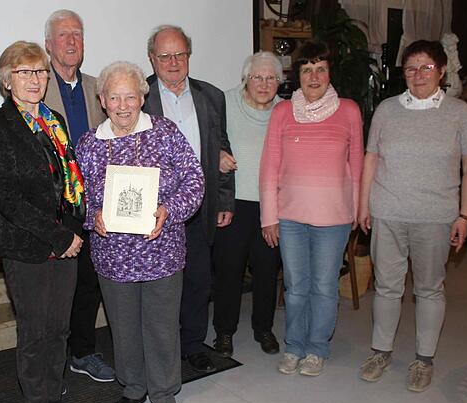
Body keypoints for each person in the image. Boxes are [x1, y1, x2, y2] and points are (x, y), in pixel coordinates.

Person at [78, 61, 204, 403]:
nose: (122, 105)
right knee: (124, 328)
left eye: (130, 96)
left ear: (142, 97)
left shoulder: (165, 133)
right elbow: (75, 196)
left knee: (163, 327)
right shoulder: (89, 143)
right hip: (113, 258)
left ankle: (164, 394)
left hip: (161, 253)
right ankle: (132, 387)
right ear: (102, 100)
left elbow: (194, 181)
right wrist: (92, 215)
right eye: (113, 97)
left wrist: (170, 209)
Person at [357, 40, 467, 392]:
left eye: (426, 67)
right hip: (388, 212)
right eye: (411, 68)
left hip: (436, 217)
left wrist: (465, 216)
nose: (418, 74)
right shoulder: (386, 109)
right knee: (386, 288)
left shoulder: (459, 113)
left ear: (442, 71)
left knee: (428, 290)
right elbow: (371, 158)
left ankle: (424, 359)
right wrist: (364, 205)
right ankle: (380, 352)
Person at [0, 41, 85, 403]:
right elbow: (6, 197)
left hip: (66, 243)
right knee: (35, 331)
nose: (34, 79)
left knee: (60, 329)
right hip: (28, 247)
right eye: (24, 72)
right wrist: (58, 237)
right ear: (8, 80)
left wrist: (74, 230)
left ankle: (56, 398)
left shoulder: (53, 119)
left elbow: (71, 182)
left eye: (40, 71)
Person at [260, 40, 363, 377]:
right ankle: (294, 346)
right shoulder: (281, 112)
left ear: (330, 73)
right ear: (298, 75)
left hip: (333, 218)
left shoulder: (349, 110)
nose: (314, 76)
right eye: (307, 70)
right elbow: (269, 167)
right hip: (290, 218)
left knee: (324, 286)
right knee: (295, 286)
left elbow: (358, 166)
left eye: (321, 69)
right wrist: (269, 217)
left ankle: (317, 348)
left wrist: (359, 210)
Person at [143, 25, 234, 373]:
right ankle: (162, 349)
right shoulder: (139, 96)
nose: (173, 62)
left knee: (198, 279)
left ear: (189, 56)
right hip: (156, 212)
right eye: (164, 56)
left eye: (180, 54)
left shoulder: (211, 96)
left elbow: (221, 151)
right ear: (152, 58)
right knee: (162, 286)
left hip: (199, 207)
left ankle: (193, 344)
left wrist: (224, 201)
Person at [42, 9, 114, 383]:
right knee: (56, 292)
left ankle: (82, 353)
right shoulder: (37, 86)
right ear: (48, 44)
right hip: (55, 210)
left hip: (94, 206)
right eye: (63, 35)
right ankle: (53, 366)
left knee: (88, 284)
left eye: (77, 35)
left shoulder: (97, 87)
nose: (71, 41)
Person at [212, 51, 283, 358]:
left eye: (271, 78)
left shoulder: (287, 111)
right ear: (245, 79)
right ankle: (224, 332)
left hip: (272, 206)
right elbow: (205, 138)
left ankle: (264, 328)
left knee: (267, 272)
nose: (264, 84)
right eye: (257, 77)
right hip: (233, 204)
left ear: (279, 82)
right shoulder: (224, 103)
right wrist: (215, 155)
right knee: (228, 272)